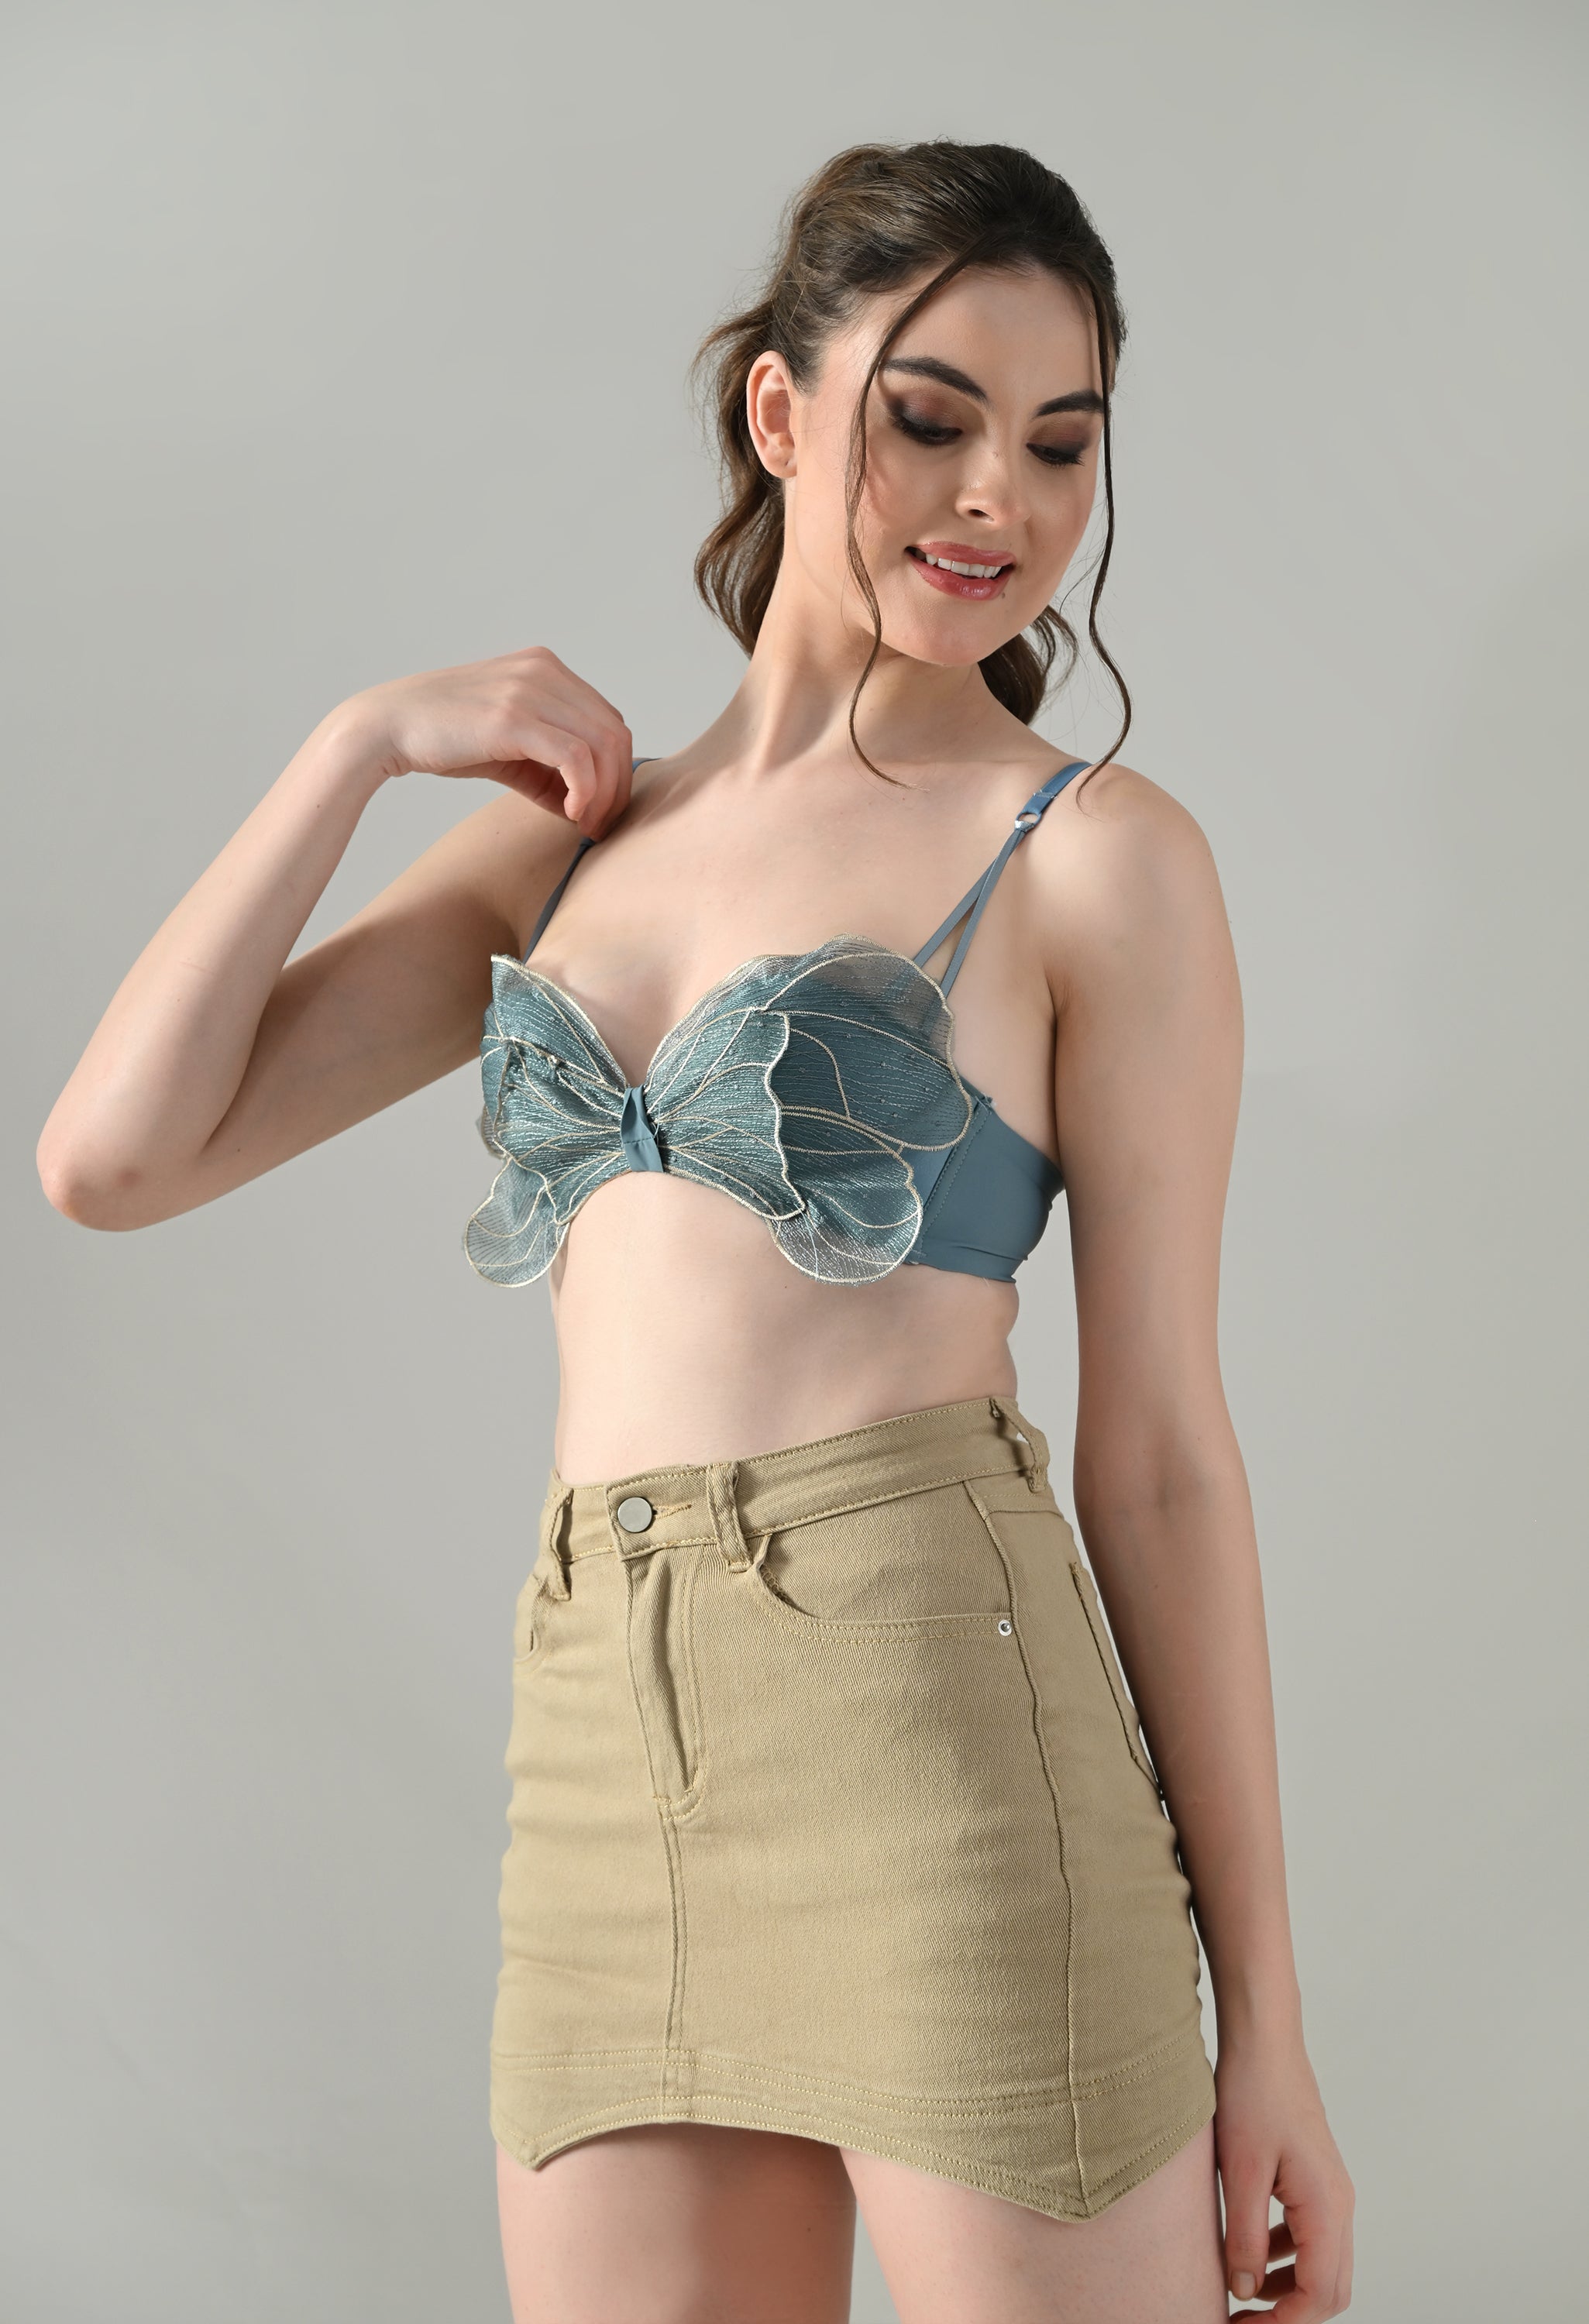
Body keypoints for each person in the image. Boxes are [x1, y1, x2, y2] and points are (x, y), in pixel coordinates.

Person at [38, 139, 1353, 2324]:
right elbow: (114, 1159)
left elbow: (1159, 1461)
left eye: (1060, 443)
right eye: (930, 417)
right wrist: (356, 748)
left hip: (945, 1746)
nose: (999, 500)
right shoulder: (567, 851)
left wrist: (1270, 2023)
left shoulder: (1090, 855)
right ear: (779, 411)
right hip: (602, 1758)